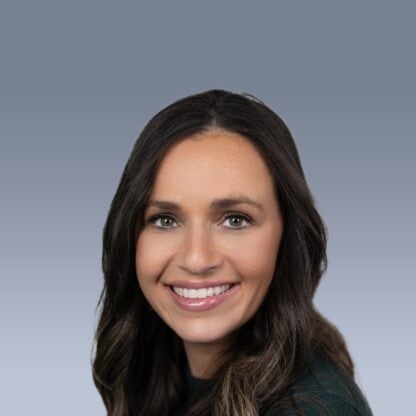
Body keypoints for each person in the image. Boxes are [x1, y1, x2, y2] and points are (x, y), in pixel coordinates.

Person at [92, 89, 373, 416]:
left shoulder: (311, 408)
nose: (196, 259)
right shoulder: (155, 361)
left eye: (235, 220)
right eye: (165, 220)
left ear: (288, 235)